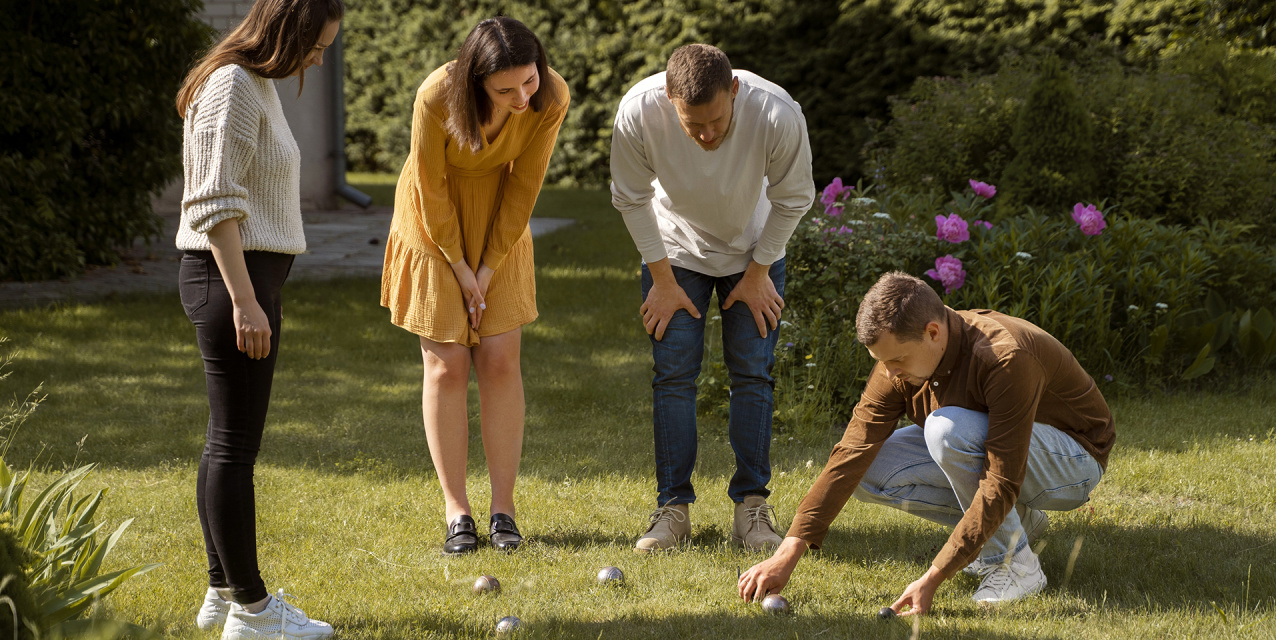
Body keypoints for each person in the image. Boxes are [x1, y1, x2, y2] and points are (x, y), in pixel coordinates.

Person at [738, 272, 1115, 613]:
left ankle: (1015, 566)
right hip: (1011, 459)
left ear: (933, 332)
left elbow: (1002, 480)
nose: (889, 373)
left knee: (946, 431)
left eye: (897, 360)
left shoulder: (1004, 357)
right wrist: (790, 548)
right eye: (881, 361)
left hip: (1075, 462)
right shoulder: (900, 359)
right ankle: (1018, 526)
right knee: (868, 469)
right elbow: (853, 450)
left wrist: (935, 575)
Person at [175, 0, 343, 637]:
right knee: (234, 448)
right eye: (318, 44)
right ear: (289, 31)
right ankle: (252, 610)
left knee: (225, 440)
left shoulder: (256, 84)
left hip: (245, 281)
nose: (320, 57)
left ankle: (223, 593)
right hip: (230, 283)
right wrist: (246, 301)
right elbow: (213, 200)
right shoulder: (233, 86)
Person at [609, 44, 815, 553]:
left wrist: (760, 270)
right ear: (669, 97)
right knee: (674, 374)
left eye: (717, 120)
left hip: (754, 251)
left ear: (735, 92)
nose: (706, 134)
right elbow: (631, 197)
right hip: (675, 252)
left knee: (753, 372)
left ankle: (752, 509)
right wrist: (661, 280)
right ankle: (673, 510)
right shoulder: (639, 110)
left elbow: (794, 197)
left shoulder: (776, 112)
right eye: (692, 123)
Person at [380, 17, 570, 556]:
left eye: (528, 81)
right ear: (475, 81)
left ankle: (503, 510)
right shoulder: (436, 96)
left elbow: (526, 184)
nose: (520, 97)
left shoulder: (550, 97)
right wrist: (461, 268)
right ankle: (457, 511)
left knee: (500, 358)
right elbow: (429, 184)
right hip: (431, 218)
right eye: (505, 89)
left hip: (499, 220)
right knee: (446, 363)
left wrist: (486, 268)